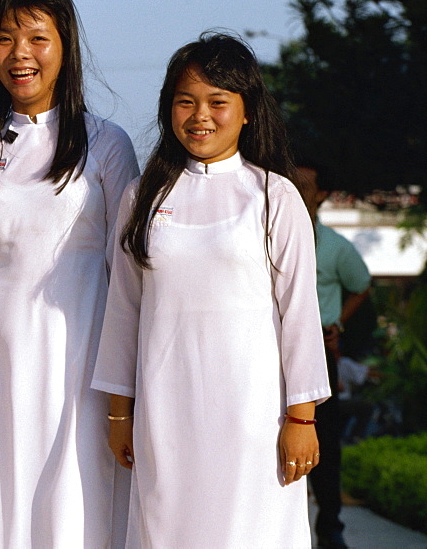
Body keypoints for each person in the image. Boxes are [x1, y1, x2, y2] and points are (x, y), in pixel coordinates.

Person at [92, 33, 331, 547]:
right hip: (165, 413)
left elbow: (300, 313)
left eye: (217, 102)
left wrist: (301, 416)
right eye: (185, 101)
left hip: (254, 417)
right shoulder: (145, 198)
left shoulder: (273, 196)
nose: (200, 115)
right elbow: (123, 311)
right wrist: (119, 412)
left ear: (246, 112)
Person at [0, 0, 139, 548]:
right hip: (2, 357)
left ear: (65, 46)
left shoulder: (106, 144)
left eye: (37, 37)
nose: (20, 54)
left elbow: (128, 272)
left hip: (82, 356)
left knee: (79, 500)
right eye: (5, 39)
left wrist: (128, 379)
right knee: (3, 500)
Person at [297, 160, 372, 549]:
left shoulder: (335, 247)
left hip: (318, 354)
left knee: (324, 443)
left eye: (305, 185)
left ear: (322, 194)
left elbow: (362, 284)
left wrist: (337, 324)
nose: (296, 188)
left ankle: (330, 530)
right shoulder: (265, 233)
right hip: (271, 350)